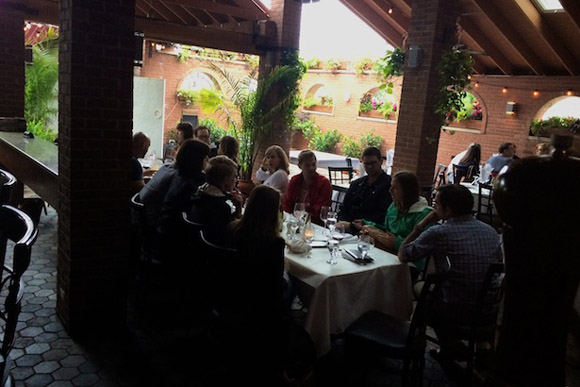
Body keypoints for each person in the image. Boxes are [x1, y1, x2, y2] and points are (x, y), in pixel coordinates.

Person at [397, 184, 503, 367]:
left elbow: (403, 254)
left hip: (455, 309)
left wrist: (422, 224)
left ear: (448, 209)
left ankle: (447, 345)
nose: (433, 207)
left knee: (420, 289)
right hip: (488, 308)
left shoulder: (439, 232)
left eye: (436, 204)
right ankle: (479, 346)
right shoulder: (491, 231)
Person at [354, 171, 432, 277]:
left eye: (395, 188)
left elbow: (419, 247)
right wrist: (366, 224)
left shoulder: (423, 214)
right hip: (389, 254)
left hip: (410, 265)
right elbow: (387, 230)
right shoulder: (394, 207)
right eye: (391, 186)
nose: (390, 191)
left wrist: (396, 242)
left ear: (407, 191)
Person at [157, 139, 210, 239]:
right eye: (206, 157)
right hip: (177, 239)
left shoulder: (179, 175)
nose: (208, 160)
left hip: (165, 232)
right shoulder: (193, 185)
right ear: (198, 159)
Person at [337, 146, 392, 233]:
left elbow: (382, 215)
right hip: (345, 229)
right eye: (366, 164)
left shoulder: (389, 186)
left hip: (370, 232)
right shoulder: (356, 184)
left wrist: (353, 226)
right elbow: (344, 208)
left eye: (373, 163)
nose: (370, 167)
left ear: (381, 162)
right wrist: (341, 223)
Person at [189, 155, 243, 242]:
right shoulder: (221, 207)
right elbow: (232, 235)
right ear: (226, 180)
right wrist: (239, 210)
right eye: (235, 177)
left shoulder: (198, 194)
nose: (236, 180)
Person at [282, 149, 332, 224]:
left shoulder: (324, 183)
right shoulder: (294, 180)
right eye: (307, 165)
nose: (311, 168)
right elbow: (287, 203)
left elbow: (320, 209)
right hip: (294, 220)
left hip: (315, 223)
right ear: (299, 166)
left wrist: (301, 212)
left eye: (313, 164)